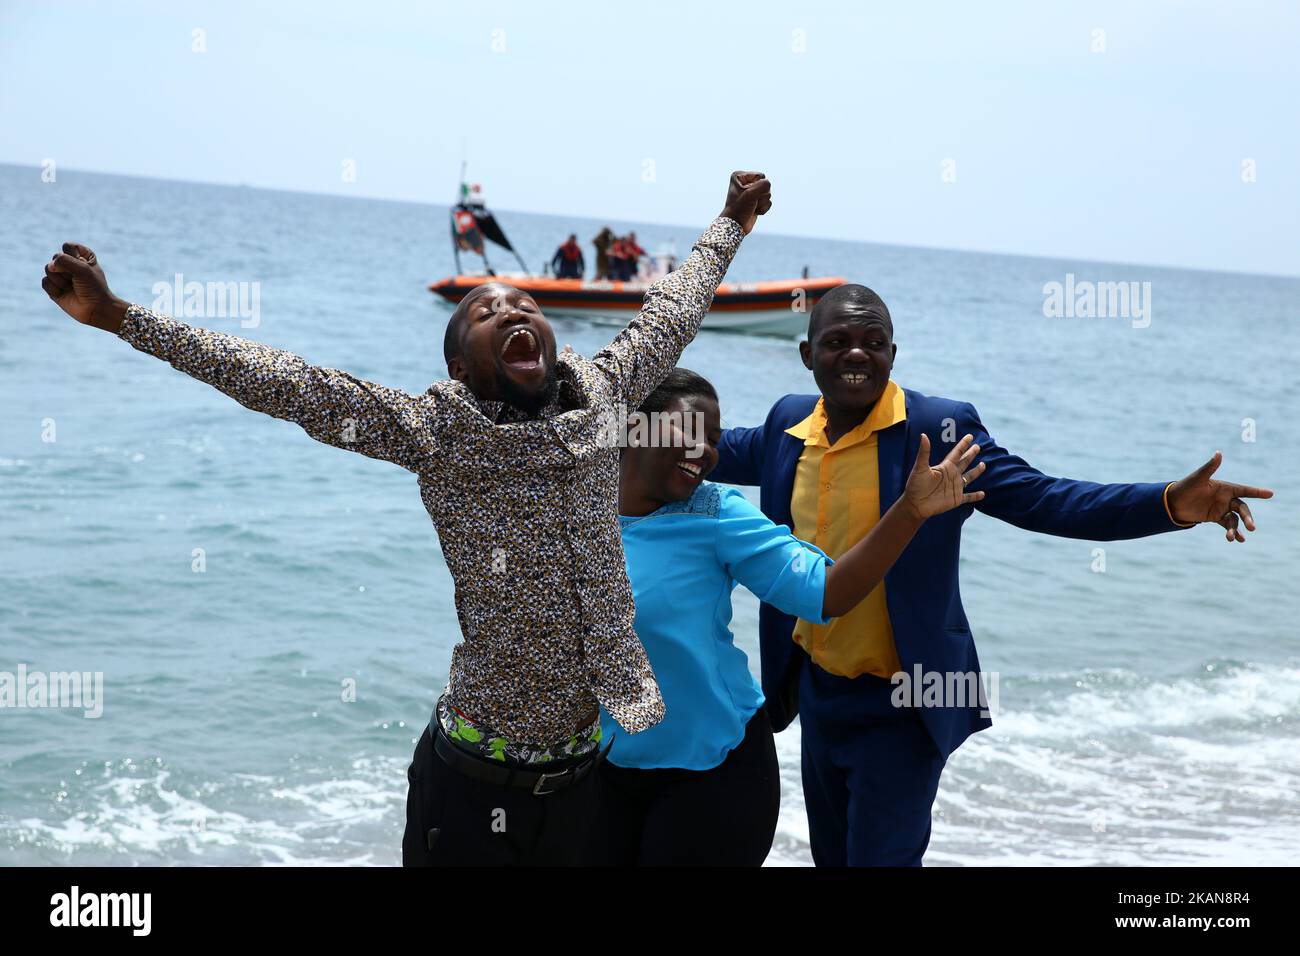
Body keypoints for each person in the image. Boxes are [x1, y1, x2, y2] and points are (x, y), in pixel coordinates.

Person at [40, 169, 774, 867]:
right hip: (470, 779)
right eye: (485, 313)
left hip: (587, 777)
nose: (511, 312)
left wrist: (731, 221)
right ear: (461, 368)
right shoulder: (433, 433)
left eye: (522, 305)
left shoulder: (608, 391)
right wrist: (118, 317)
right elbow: (285, 383)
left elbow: (675, 306)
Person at [710, 283, 1274, 867]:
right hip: (818, 692)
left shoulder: (941, 432)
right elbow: (701, 447)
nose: (857, 354)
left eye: (873, 342)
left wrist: (1166, 504)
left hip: (907, 700)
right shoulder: (787, 424)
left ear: (893, 355)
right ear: (808, 356)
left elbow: (1047, 499)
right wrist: (616, 420)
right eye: (837, 342)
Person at [596, 368, 985, 866]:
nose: (706, 451)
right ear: (634, 428)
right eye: (689, 431)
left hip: (713, 773)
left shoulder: (716, 513)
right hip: (599, 768)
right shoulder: (576, 511)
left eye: (714, 440)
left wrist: (908, 512)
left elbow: (825, 593)